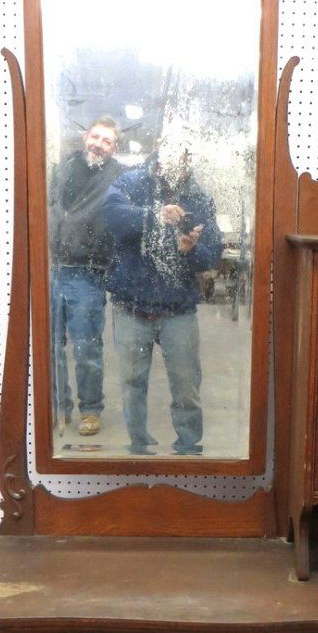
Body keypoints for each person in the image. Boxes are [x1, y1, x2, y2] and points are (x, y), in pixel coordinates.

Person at [103, 139, 224, 455]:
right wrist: (155, 215)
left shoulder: (199, 197)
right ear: (159, 150)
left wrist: (192, 249)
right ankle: (138, 448)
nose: (177, 161)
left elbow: (212, 255)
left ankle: (188, 449)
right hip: (131, 305)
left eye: (184, 156)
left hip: (178, 308)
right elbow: (111, 217)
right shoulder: (131, 181)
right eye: (172, 152)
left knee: (186, 388)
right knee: (131, 386)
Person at [49, 116, 123, 435]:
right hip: (51, 269)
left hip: (88, 273)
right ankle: (59, 407)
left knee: (86, 349)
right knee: (51, 347)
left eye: (107, 140)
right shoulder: (63, 168)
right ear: (85, 137)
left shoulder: (119, 176)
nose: (98, 144)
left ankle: (90, 410)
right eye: (95, 136)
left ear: (114, 147)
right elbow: (49, 207)